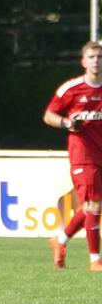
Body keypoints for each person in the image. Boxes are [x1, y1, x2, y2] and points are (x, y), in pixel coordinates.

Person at [44, 40, 102, 272]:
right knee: (93, 205)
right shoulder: (71, 89)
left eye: (99, 57)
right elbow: (49, 115)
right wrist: (67, 122)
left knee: (90, 207)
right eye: (91, 57)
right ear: (83, 61)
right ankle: (95, 260)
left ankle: (60, 241)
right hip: (82, 155)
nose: (96, 61)